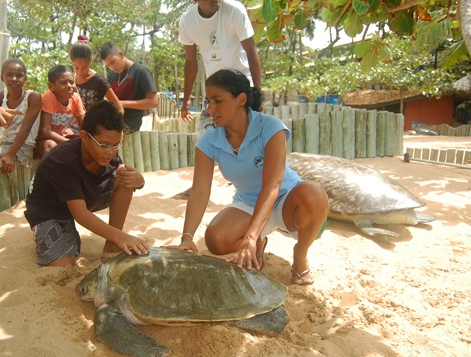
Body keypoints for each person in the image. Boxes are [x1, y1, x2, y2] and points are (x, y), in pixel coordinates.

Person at [168, 69, 328, 285]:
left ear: (241, 100)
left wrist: (249, 236)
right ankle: (260, 241)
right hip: (248, 202)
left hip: (285, 199)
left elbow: (273, 186)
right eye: (208, 102)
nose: (210, 109)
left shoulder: (270, 126)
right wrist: (187, 237)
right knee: (216, 240)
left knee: (314, 193)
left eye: (218, 101)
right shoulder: (208, 141)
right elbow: (199, 192)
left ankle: (300, 255)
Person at [24, 100, 149, 266]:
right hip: (50, 211)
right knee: (62, 262)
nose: (110, 152)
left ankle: (111, 244)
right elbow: (81, 214)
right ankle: (107, 236)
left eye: (115, 145)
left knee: (125, 177)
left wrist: (139, 181)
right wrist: (121, 236)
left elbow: (122, 174)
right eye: (104, 145)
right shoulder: (63, 161)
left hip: (78, 199)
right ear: (84, 136)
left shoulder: (106, 155)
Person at [175, 0, 262, 199]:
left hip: (241, 87)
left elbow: (251, 50)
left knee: (252, 139)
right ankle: (198, 187)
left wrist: (256, 93)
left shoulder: (234, 10)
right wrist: (186, 99)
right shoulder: (188, 21)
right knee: (205, 136)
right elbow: (190, 61)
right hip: (214, 88)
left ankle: (258, 187)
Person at [0, 58, 41, 173]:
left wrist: (9, 155)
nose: (14, 79)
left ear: (25, 79)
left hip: (23, 147)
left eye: (19, 76)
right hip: (3, 144)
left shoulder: (32, 98)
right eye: (9, 75)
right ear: (2, 77)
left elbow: (25, 129)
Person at [100, 42, 157, 134]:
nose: (112, 67)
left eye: (113, 62)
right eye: (108, 66)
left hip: (129, 124)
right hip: (112, 118)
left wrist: (124, 104)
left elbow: (153, 102)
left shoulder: (141, 72)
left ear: (121, 54)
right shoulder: (112, 75)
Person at [35, 65, 85, 158]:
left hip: (60, 137)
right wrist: (69, 143)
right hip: (42, 140)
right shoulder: (48, 97)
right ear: (51, 86)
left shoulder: (75, 98)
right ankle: (47, 171)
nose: (69, 86)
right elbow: (45, 132)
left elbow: (85, 127)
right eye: (63, 83)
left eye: (71, 82)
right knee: (51, 146)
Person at [69, 35, 123, 115]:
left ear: (91, 61)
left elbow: (119, 110)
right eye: (76, 67)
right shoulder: (69, 80)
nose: (80, 72)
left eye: (84, 68)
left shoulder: (99, 81)